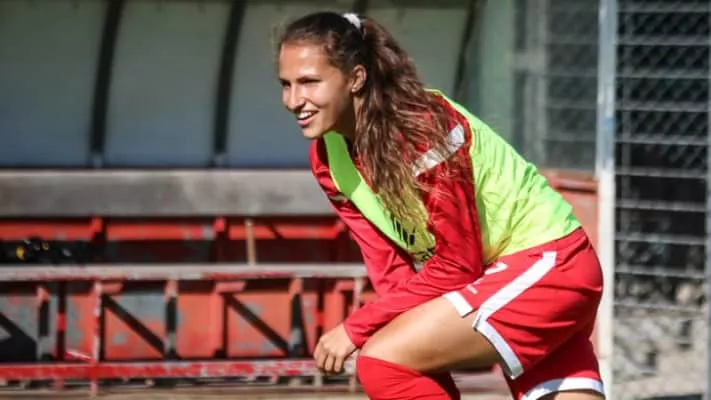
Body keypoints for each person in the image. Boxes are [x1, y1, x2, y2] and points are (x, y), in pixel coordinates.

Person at [276, 10, 605, 400]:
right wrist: (397, 328)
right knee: (393, 351)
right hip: (508, 276)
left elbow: (457, 265)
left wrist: (357, 327)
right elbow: (390, 270)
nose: (293, 100)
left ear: (356, 78)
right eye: (286, 85)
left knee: (382, 361)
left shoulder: (421, 127)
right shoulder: (327, 159)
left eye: (309, 82)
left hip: (547, 268)